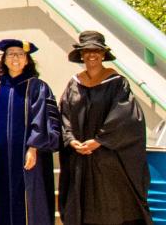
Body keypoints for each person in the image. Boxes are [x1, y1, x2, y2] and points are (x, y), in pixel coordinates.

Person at [56, 31, 149, 225]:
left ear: (103, 54)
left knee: (112, 208)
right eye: (87, 51)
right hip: (80, 157)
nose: (92, 55)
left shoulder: (117, 83)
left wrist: (99, 141)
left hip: (108, 158)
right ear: (81, 55)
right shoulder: (74, 84)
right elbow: (65, 115)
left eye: (96, 51)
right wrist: (71, 139)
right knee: (84, 207)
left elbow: (125, 117)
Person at [0, 38, 60, 225]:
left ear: (27, 60)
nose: (16, 58)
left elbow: (43, 118)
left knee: (30, 202)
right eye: (11, 54)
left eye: (21, 54)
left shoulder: (38, 87)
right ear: (3, 59)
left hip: (28, 156)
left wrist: (34, 147)